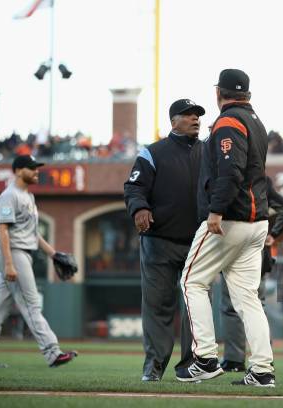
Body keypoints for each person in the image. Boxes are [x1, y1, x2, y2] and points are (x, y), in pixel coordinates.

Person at [176, 69, 275, 387]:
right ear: (246, 93)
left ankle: (204, 359)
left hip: (230, 219)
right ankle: (262, 369)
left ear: (220, 92)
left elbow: (230, 172)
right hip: (256, 222)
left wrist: (216, 212)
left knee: (192, 282)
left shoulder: (230, 121)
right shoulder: (256, 121)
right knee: (248, 298)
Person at [124, 98, 206, 381]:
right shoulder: (153, 152)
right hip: (158, 240)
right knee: (158, 306)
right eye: (189, 115)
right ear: (174, 121)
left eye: (198, 115)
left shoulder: (209, 152)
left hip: (199, 242)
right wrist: (140, 207)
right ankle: (154, 367)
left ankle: (189, 366)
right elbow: (134, 186)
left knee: (194, 307)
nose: (196, 119)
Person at [0, 155, 77, 368]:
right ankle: (52, 352)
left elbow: (33, 234)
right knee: (31, 304)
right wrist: (9, 263)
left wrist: (53, 254)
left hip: (21, 251)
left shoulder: (28, 197)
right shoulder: (8, 196)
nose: (37, 171)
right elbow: (2, 229)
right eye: (32, 168)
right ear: (19, 171)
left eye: (37, 167)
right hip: (13, 252)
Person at [219, 176, 283, 371]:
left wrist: (273, 235)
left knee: (231, 306)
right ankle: (264, 358)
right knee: (257, 304)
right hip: (258, 247)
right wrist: (272, 234)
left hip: (235, 244)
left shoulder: (227, 176)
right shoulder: (262, 180)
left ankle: (234, 360)